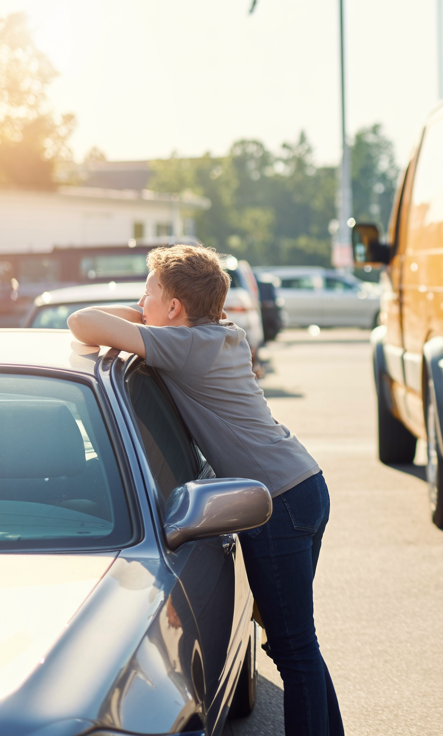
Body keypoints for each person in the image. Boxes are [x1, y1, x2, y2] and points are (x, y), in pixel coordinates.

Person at [67, 244, 344, 736]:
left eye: (147, 292)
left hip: (278, 503)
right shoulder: (219, 334)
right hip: (302, 486)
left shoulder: (185, 346)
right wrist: (152, 309)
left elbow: (81, 322)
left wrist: (140, 317)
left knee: (295, 648)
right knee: (296, 644)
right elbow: (116, 321)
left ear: (174, 308)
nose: (140, 300)